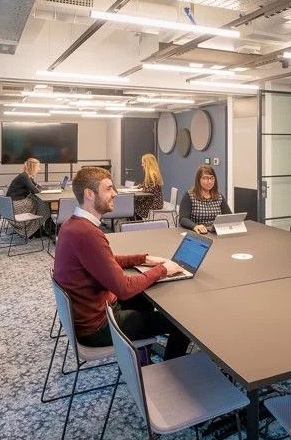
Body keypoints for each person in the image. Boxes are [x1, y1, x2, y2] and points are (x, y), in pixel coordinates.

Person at [52, 166, 191, 358]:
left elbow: (104, 261)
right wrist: (163, 270)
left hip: (89, 313)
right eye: (108, 189)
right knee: (182, 324)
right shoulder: (87, 233)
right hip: (98, 327)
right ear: (89, 194)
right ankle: (169, 370)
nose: (115, 194)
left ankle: (141, 355)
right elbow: (124, 288)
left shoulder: (72, 225)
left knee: (143, 298)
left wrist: (143, 259)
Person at [4, 158, 50, 239]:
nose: (39, 169)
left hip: (12, 203)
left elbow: (36, 186)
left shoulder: (26, 176)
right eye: (38, 167)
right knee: (43, 205)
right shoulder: (24, 177)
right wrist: (41, 189)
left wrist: (42, 188)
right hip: (15, 206)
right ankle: (38, 230)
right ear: (33, 167)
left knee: (39, 202)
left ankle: (38, 229)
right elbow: (35, 191)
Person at [178, 165, 231, 234]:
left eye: (212, 178)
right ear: (198, 180)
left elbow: (229, 216)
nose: (209, 181)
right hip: (198, 232)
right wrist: (195, 226)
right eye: (205, 178)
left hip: (215, 232)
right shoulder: (189, 195)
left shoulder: (219, 196)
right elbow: (183, 219)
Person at [133, 153, 164, 220]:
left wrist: (141, 189)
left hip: (155, 202)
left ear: (148, 163)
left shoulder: (153, 175)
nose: (142, 165)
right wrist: (138, 186)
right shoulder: (151, 174)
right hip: (152, 200)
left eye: (143, 163)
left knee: (135, 205)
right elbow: (145, 184)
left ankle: (138, 221)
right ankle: (137, 221)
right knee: (135, 203)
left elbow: (151, 189)